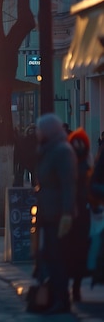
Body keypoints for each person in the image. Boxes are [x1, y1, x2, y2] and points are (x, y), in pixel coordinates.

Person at [33, 113, 77, 314]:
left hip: (59, 215)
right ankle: (52, 297)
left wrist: (67, 213)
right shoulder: (48, 149)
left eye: (40, 129)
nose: (37, 133)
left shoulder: (62, 151)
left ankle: (61, 299)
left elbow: (68, 185)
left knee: (58, 258)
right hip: (47, 213)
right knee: (48, 256)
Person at [66, 128, 92, 302]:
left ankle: (74, 286)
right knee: (74, 251)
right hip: (73, 212)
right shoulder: (71, 165)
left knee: (77, 251)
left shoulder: (83, 166)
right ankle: (73, 286)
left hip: (79, 213)